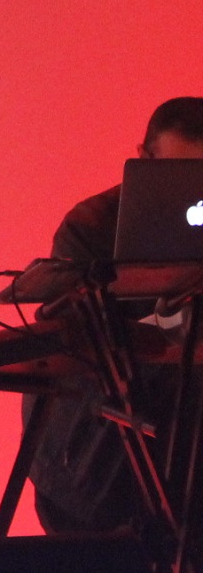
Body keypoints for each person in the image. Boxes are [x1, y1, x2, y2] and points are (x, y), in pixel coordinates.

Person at [26, 97, 203, 535]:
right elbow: (77, 341)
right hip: (92, 469)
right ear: (143, 160)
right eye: (178, 175)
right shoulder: (92, 226)